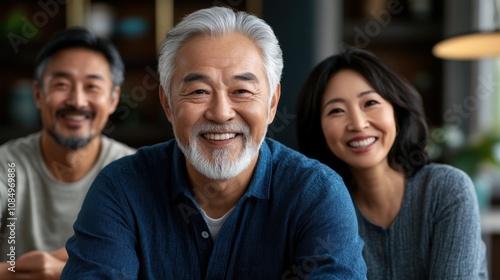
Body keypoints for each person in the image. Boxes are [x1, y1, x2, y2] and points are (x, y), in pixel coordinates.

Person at [61, 6, 367, 279]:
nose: (221, 113)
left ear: (272, 104)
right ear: (167, 104)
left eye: (242, 91)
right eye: (198, 91)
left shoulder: (317, 193)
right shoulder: (121, 189)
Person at [296, 47, 488, 279]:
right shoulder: (321, 209)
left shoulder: (446, 189)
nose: (357, 124)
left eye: (370, 103)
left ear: (396, 112)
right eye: (336, 110)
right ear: (320, 131)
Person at [0, 27, 136, 279]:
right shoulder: (6, 167)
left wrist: (62, 270)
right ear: (39, 94)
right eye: (62, 84)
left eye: (92, 86)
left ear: (113, 99)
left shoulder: (133, 172)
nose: (77, 101)